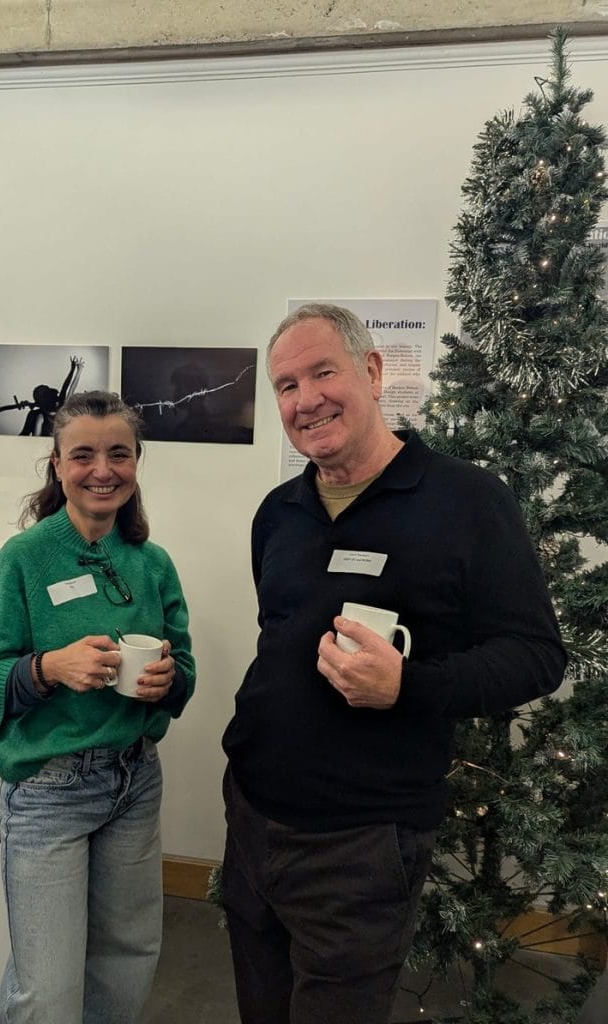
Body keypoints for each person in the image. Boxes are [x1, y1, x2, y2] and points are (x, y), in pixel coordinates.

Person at [220, 303, 567, 1024]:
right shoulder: (277, 512)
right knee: (260, 1008)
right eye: (286, 385)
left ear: (372, 372)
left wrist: (408, 685)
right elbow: (275, 637)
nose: (305, 399)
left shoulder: (468, 501)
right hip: (253, 818)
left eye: (322, 372)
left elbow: (535, 656)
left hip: (361, 841)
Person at [0, 390, 195, 1024]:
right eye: (82, 454)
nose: (102, 470)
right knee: (49, 989)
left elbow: (186, 672)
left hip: (134, 780)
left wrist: (167, 679)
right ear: (56, 465)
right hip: (49, 792)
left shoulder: (151, 563)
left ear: (137, 462)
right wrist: (48, 668)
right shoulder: (24, 560)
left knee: (126, 959)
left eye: (118, 453)